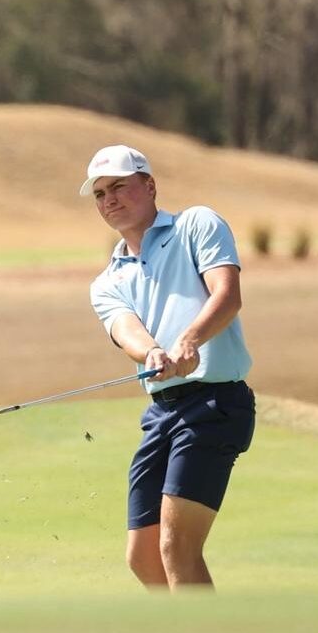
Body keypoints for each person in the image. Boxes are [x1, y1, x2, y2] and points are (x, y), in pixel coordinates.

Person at [83, 144, 256, 590]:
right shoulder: (107, 282)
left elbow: (227, 295)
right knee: (142, 555)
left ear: (150, 185)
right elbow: (127, 331)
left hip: (215, 404)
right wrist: (152, 353)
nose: (110, 200)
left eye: (119, 186)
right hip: (162, 413)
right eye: (100, 194)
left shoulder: (197, 224)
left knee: (176, 547)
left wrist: (190, 340)